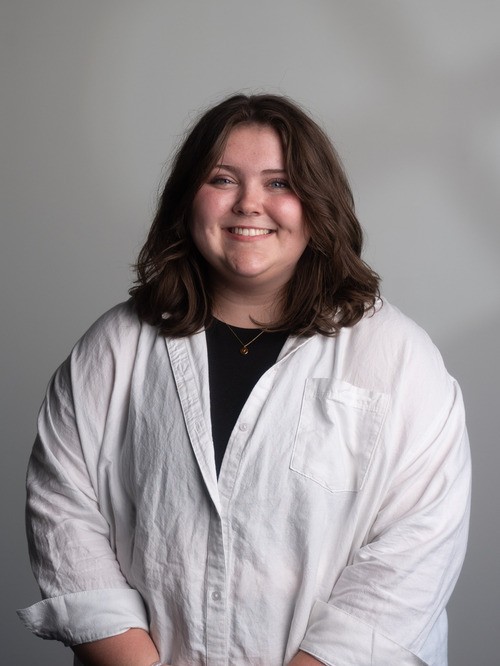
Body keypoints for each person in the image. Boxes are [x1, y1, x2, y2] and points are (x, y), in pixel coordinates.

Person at [18, 94, 470, 666]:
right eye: (223, 179)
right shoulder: (114, 345)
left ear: (318, 205)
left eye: (280, 183)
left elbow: (415, 554)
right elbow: (62, 511)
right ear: (188, 199)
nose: (249, 203)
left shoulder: (399, 358)